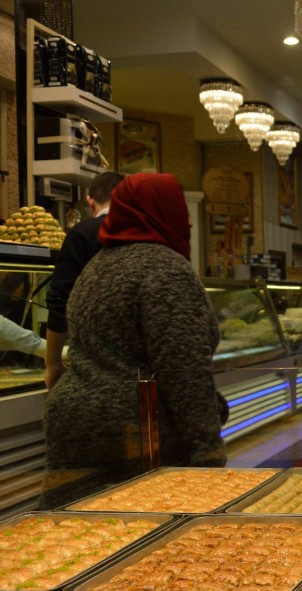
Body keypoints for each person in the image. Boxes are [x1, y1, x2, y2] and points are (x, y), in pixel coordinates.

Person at [43, 173, 227, 507]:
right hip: (135, 432)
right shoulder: (165, 270)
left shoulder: (97, 267)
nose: (187, 221)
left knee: (78, 540)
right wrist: (208, 451)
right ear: (160, 212)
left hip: (73, 423)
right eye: (179, 209)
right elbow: (184, 371)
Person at [45, 172, 124, 389]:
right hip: (137, 364)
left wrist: (52, 364)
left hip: (93, 363)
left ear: (90, 202)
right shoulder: (148, 233)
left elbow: (60, 299)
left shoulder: (82, 233)